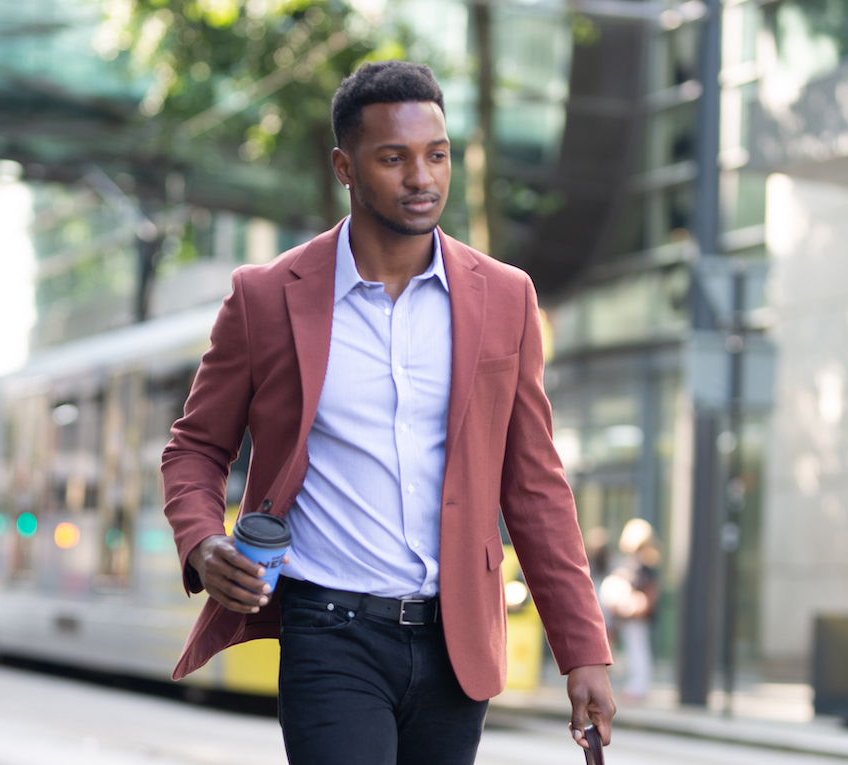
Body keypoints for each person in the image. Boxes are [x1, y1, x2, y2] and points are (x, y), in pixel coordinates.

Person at [162, 60, 614, 765]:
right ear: (345, 166)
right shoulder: (265, 297)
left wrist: (583, 649)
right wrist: (201, 540)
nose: (421, 178)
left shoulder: (505, 297)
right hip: (329, 629)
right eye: (393, 158)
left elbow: (535, 486)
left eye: (436, 156)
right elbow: (194, 446)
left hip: (455, 639)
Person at [600, 518, 661, 701]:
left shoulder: (646, 564)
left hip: (636, 615)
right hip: (626, 614)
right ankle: (634, 685)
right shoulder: (631, 562)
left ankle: (638, 686)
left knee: (637, 649)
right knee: (630, 648)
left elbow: (648, 590)